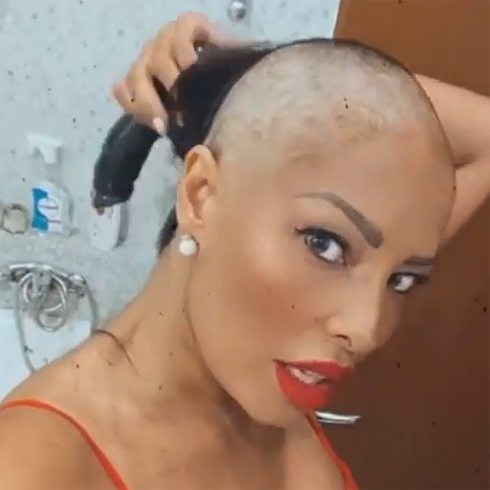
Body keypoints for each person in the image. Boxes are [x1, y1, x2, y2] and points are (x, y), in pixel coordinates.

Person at [0, 12, 488, 490]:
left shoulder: (260, 376)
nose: (365, 329)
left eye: (401, 280)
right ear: (201, 195)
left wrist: (263, 69)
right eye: (325, 245)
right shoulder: (34, 470)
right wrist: (277, 82)